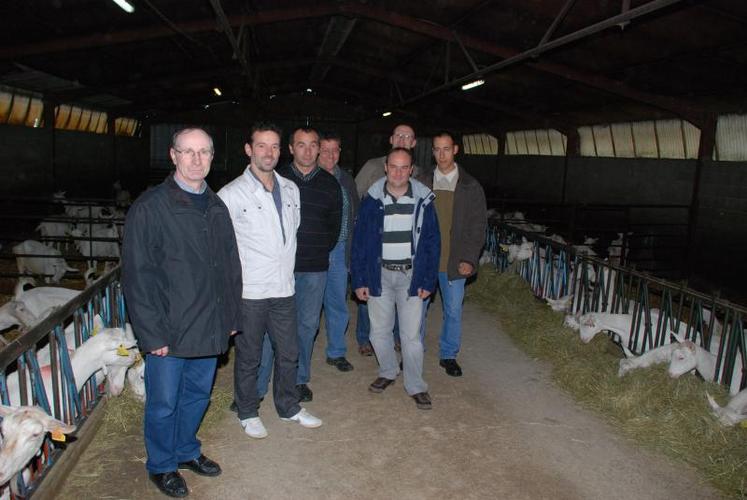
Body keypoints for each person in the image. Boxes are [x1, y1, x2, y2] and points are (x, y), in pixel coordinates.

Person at [122, 127, 242, 498]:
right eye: (187, 152)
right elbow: (137, 276)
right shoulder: (151, 207)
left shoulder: (216, 205)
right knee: (163, 404)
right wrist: (151, 334)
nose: (196, 159)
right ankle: (161, 464)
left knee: (197, 397)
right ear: (173, 156)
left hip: (208, 324)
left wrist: (232, 317)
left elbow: (229, 266)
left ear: (212, 157)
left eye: (203, 152)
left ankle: (186, 450)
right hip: (169, 330)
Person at [218, 122, 322, 440]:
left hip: (283, 287)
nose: (269, 152)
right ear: (249, 149)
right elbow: (223, 248)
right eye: (261, 146)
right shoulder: (231, 194)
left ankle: (288, 407)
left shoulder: (291, 189)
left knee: (289, 352)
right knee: (249, 355)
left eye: (275, 146)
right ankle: (248, 411)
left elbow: (290, 235)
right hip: (250, 291)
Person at [351, 147, 439, 410]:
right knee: (379, 332)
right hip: (380, 275)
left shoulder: (423, 201)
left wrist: (427, 280)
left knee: (411, 337)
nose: (399, 172)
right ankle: (388, 371)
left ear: (411, 170)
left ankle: (416, 385)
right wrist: (359, 279)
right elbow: (360, 243)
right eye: (394, 166)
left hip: (411, 276)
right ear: (386, 168)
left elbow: (432, 243)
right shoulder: (372, 200)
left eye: (404, 167)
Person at [276, 127, 342, 402]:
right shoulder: (276, 179)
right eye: (300, 145)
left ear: (318, 149)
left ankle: (299, 378)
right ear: (291, 148)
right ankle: (264, 380)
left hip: (314, 268)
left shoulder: (330, 184)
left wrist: (316, 251)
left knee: (306, 325)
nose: (307, 150)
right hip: (279, 267)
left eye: (312, 145)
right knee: (275, 325)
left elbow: (334, 229)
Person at [418, 131, 487, 377]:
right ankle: (414, 353)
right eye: (437, 149)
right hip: (425, 259)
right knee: (417, 310)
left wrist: (469, 258)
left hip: (455, 259)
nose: (441, 154)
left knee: (454, 310)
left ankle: (448, 355)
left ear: (455, 149)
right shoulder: (422, 181)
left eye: (446, 149)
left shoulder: (470, 186)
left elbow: (478, 226)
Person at [353, 123, 420, 355]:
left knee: (403, 297)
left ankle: (398, 337)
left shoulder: (419, 173)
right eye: (399, 135)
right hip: (375, 242)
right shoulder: (372, 166)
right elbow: (355, 194)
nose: (402, 139)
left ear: (414, 143)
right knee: (371, 292)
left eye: (408, 136)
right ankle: (365, 338)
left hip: (404, 246)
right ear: (391, 138)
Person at [318, 131, 359, 371]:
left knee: (337, 304)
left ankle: (336, 351)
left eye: (335, 150)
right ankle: (296, 355)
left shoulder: (346, 180)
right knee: (306, 309)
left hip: (340, 250)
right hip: (313, 253)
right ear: (316, 151)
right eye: (325, 150)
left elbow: (355, 216)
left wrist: (352, 253)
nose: (330, 155)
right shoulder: (306, 178)